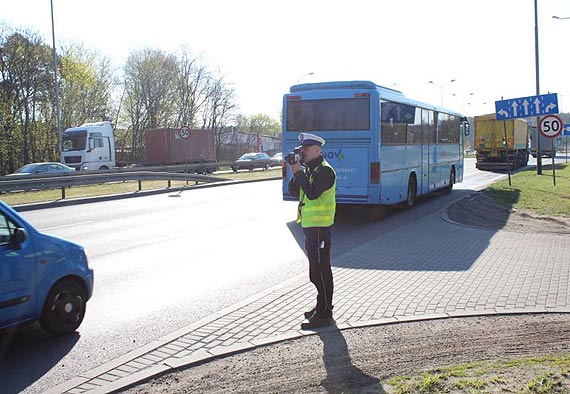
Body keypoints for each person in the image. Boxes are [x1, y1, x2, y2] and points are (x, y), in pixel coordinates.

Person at [287, 132, 336, 329]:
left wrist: (299, 171)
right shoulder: (309, 170)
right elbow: (293, 191)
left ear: (316, 150)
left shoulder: (325, 171)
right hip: (310, 227)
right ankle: (321, 306)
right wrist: (295, 170)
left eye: (305, 150)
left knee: (321, 270)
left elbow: (313, 194)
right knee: (315, 271)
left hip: (320, 228)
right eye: (301, 150)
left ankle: (325, 314)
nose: (302, 153)